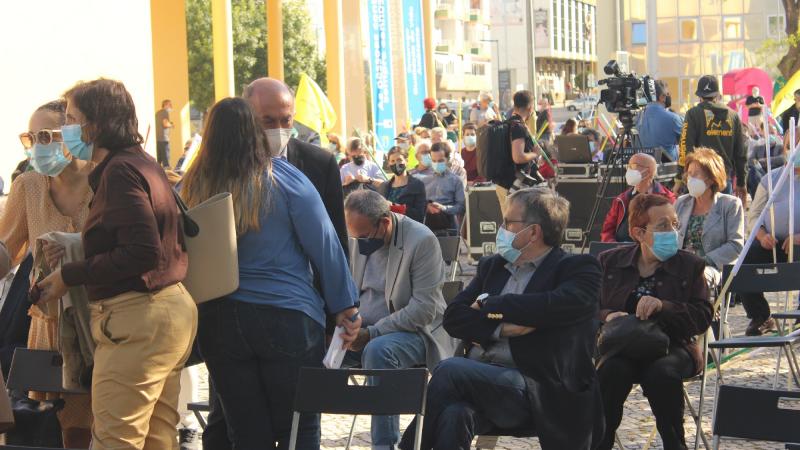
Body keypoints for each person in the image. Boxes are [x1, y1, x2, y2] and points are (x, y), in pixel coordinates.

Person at [180, 97, 361, 448]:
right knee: (300, 426)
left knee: (245, 432)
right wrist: (346, 307)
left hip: (219, 321)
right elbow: (325, 246)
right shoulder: (284, 177)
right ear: (254, 132)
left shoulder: (190, 186)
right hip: (287, 316)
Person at [35, 78, 197, 448]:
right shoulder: (139, 163)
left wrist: (69, 274)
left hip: (137, 318)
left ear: (95, 124)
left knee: (115, 440)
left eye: (72, 119)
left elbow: (142, 251)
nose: (66, 129)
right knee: (157, 438)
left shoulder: (121, 171)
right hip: (162, 315)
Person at [399, 187, 604, 449]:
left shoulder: (577, 269)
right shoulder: (493, 266)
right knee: (454, 414)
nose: (501, 228)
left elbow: (553, 306)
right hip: (481, 382)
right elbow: (454, 318)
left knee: (449, 370)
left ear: (533, 232)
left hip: (535, 388)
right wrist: (501, 329)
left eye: (508, 222)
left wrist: (488, 304)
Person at [1, 100, 93, 447]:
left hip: (93, 320)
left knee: (101, 423)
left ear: (73, 135)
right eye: (31, 138)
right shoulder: (29, 186)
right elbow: (7, 249)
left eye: (46, 136)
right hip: (48, 328)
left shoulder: (103, 181)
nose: (38, 147)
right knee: (56, 427)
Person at [597, 194, 714, 450]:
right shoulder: (610, 263)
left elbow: (703, 316)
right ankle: (599, 444)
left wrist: (664, 307)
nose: (672, 231)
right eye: (662, 225)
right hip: (622, 345)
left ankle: (675, 445)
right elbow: (586, 307)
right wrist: (607, 316)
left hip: (673, 346)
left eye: (674, 223)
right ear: (638, 233)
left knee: (662, 373)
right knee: (610, 371)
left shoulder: (690, 265)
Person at [343, 190, 453, 449]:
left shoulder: (421, 241)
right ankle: (303, 436)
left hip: (417, 332)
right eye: (354, 236)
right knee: (312, 346)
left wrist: (373, 333)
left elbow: (423, 309)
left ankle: (383, 445)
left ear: (385, 222)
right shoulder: (357, 237)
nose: (359, 242)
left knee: (379, 351)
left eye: (364, 236)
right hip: (364, 327)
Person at [244, 77, 348, 253]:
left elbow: (336, 240)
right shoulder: (231, 165)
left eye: (286, 120)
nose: (279, 128)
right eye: (268, 121)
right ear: (248, 117)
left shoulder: (321, 164)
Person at [739, 160, 800, 336]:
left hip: (797, 243)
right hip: (771, 242)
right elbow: (754, 214)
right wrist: (762, 235)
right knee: (744, 260)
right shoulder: (771, 179)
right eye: (791, 145)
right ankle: (760, 315)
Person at [674, 147, 744, 286]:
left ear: (712, 178)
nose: (690, 179)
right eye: (689, 174)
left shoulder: (730, 204)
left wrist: (702, 261)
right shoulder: (681, 203)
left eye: (696, 174)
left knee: (697, 279)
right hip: (680, 265)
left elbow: (735, 246)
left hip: (711, 268)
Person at [679, 75, 746, 205]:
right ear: (717, 95)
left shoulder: (693, 114)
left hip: (699, 180)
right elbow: (740, 153)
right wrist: (742, 182)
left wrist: (680, 179)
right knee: (723, 220)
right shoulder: (733, 115)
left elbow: (685, 147)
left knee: (700, 221)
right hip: (723, 179)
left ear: (699, 95)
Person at [601, 153, 676, 242]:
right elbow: (607, 231)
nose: (629, 170)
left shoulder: (668, 199)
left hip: (653, 251)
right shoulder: (621, 199)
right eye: (628, 166)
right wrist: (614, 247)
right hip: (623, 251)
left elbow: (671, 232)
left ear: (648, 172)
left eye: (633, 166)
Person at [493, 90, 542, 215]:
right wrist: (535, 153)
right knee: (515, 225)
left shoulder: (507, 124)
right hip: (513, 186)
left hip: (504, 183)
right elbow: (518, 157)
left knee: (509, 224)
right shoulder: (518, 127)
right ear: (530, 108)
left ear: (514, 106)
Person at [420, 142, 465, 234]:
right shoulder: (424, 180)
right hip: (428, 227)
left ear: (447, 160)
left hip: (448, 227)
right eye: (434, 161)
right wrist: (427, 206)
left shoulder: (456, 181)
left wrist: (444, 208)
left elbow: (461, 207)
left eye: (440, 161)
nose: (436, 164)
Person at [376, 146, 426, 222]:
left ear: (406, 161)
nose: (396, 163)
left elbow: (419, 215)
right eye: (392, 161)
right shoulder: (384, 186)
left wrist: (396, 207)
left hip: (408, 228)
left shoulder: (417, 185)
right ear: (389, 163)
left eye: (399, 160)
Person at [637, 80, 683, 161]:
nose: (668, 97)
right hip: (668, 169)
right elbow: (688, 139)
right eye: (667, 94)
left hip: (642, 168)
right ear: (662, 96)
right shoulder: (673, 118)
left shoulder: (636, 117)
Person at [155, 99, 174, 168]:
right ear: (165, 105)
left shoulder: (158, 113)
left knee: (158, 161)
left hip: (157, 139)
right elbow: (165, 124)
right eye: (170, 104)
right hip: (164, 139)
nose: (172, 106)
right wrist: (171, 125)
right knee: (166, 162)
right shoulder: (165, 112)